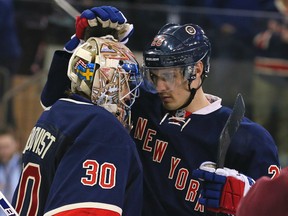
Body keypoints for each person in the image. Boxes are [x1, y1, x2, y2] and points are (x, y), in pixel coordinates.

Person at [39, 6, 281, 216]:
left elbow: (277, 205)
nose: (160, 86)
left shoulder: (249, 138)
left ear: (196, 71)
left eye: (168, 76)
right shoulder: (135, 103)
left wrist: (248, 195)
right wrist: (82, 45)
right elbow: (55, 101)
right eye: (154, 76)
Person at [12, 35, 143, 215]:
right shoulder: (101, 127)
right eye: (124, 81)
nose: (128, 94)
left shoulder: (54, 113)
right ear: (103, 80)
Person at [251, 0, 288, 167]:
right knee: (261, 117)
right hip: (265, 72)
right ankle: (256, 156)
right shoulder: (267, 9)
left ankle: (284, 162)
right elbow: (255, 39)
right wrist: (278, 35)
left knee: (286, 120)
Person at [0, 127, 21, 206]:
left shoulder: (24, 165)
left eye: (6, 147)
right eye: (0, 147)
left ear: (16, 144)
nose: (3, 151)